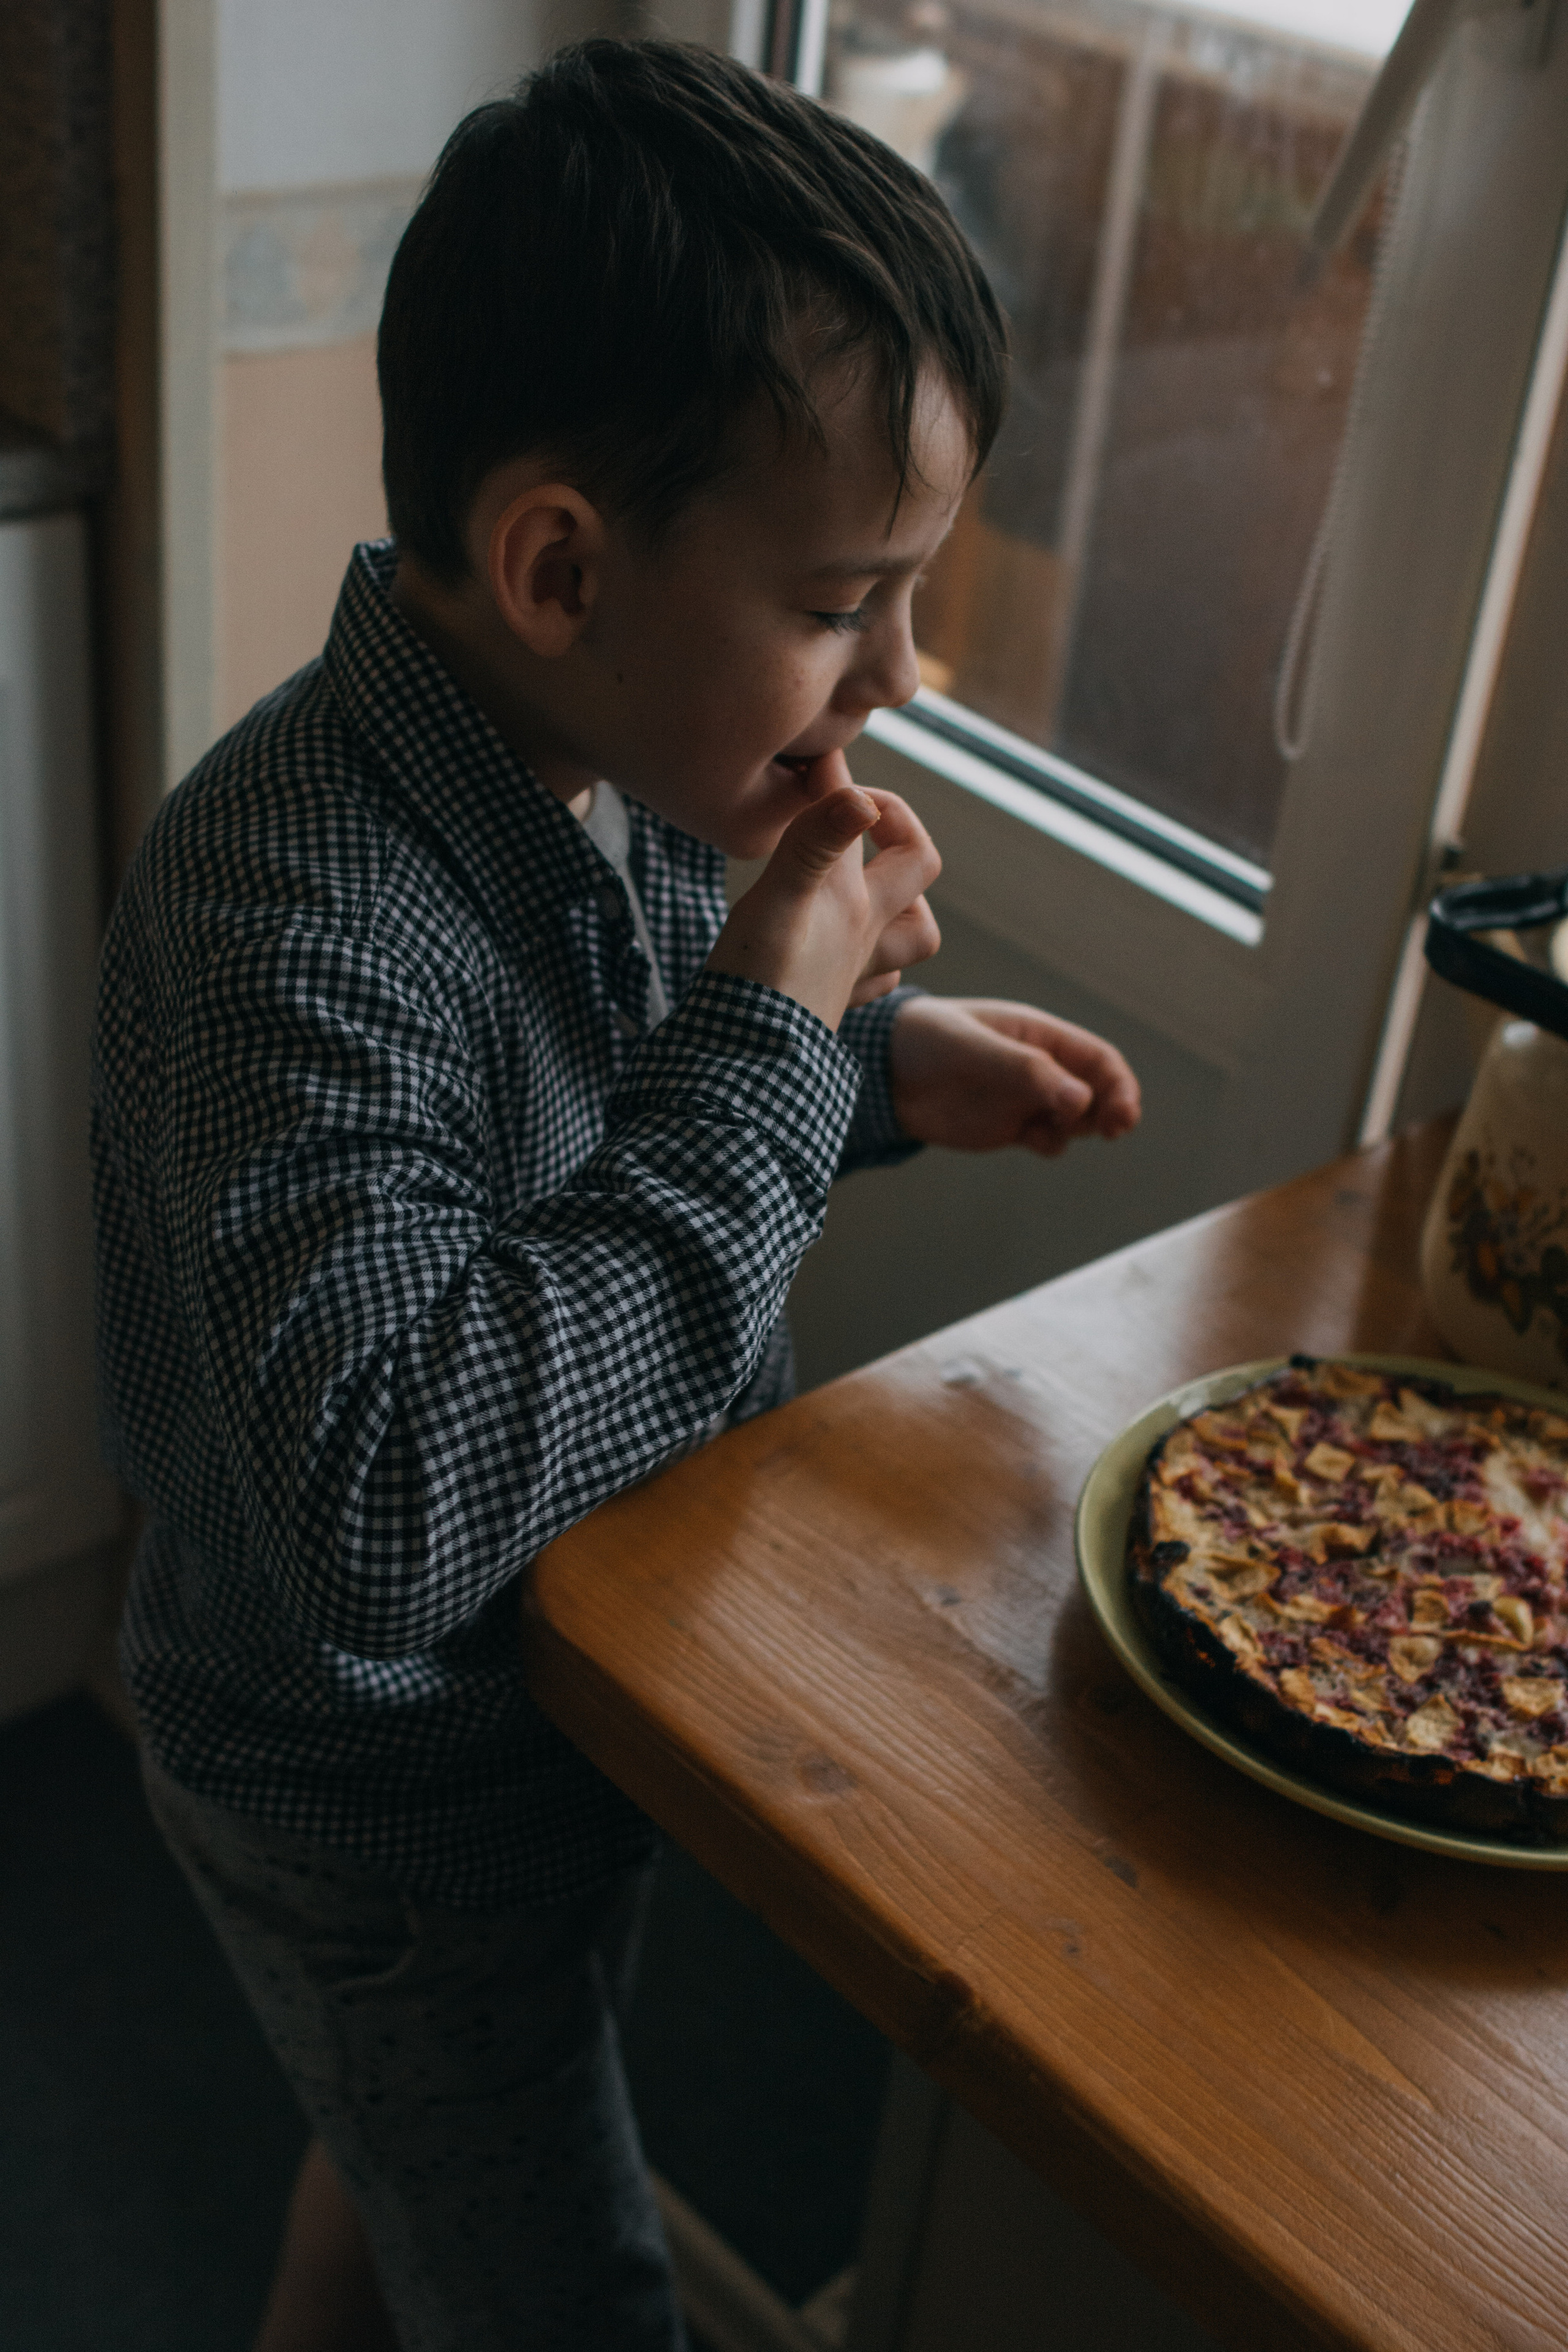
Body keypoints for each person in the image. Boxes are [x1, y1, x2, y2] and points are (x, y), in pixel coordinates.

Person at [91, 37, 1140, 2352]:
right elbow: (391, 1504)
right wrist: (777, 1035)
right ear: (564, 563)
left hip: (552, 1732)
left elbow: (612, 1090)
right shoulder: (296, 924)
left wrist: (871, 1067)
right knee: (565, 2285)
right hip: (385, 1821)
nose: (901, 670)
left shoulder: (597, 752)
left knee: (395, 2169)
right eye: (851, 599)